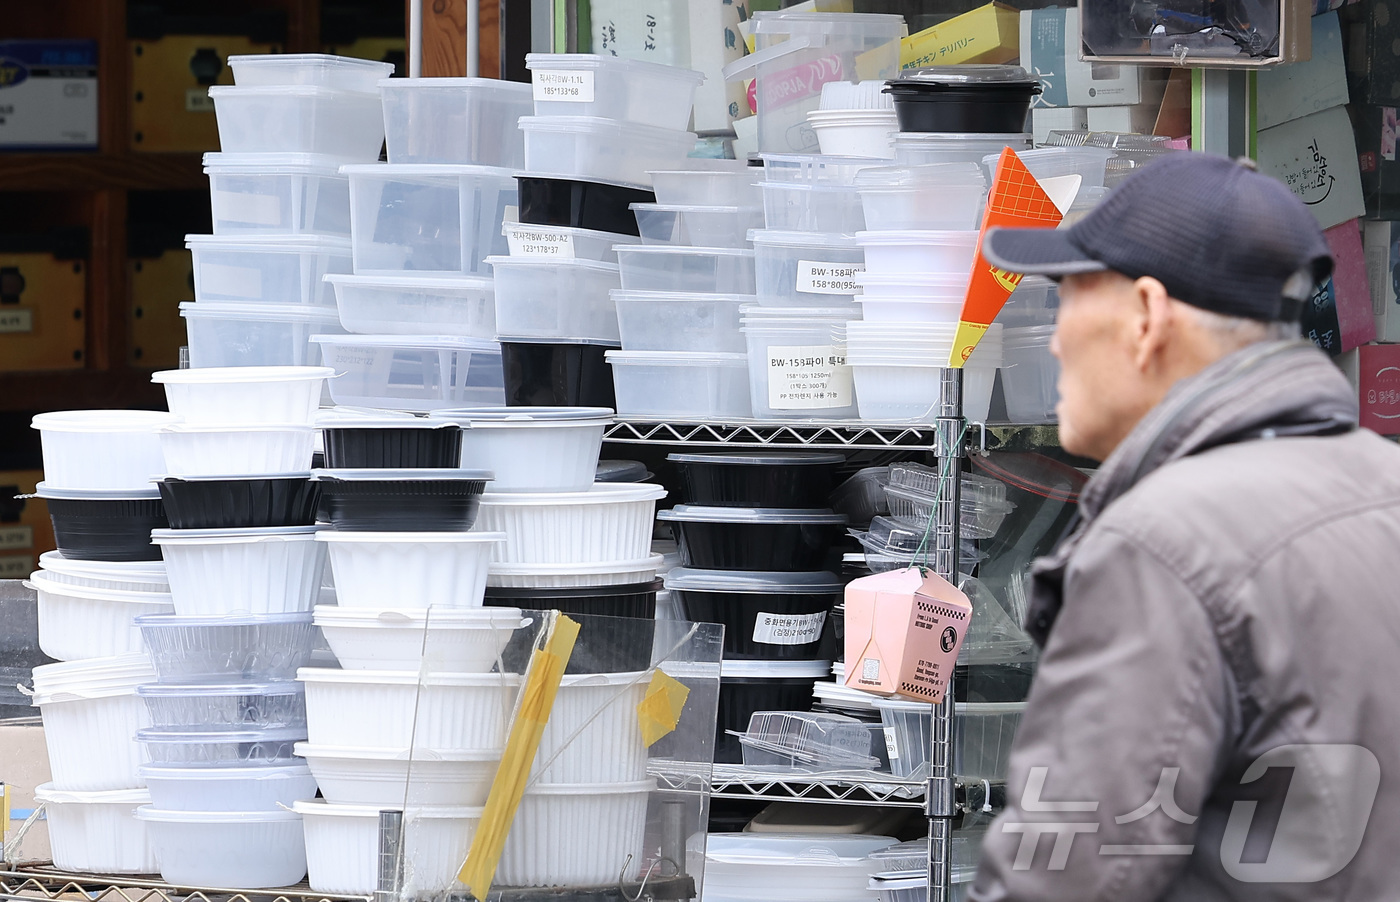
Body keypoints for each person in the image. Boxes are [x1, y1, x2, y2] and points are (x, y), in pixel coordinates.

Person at [964, 152, 1400, 901]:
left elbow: (1068, 878)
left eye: (1069, 296)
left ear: (1147, 316)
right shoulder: (1382, 485)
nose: (1057, 339)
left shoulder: (1162, 545)